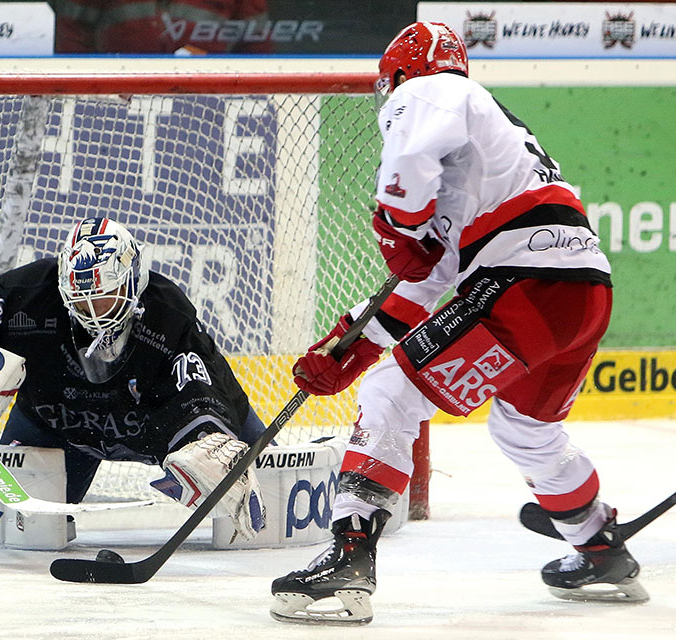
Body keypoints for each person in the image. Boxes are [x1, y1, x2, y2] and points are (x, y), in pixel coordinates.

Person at [269, 21, 645, 625]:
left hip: (525, 283)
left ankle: (348, 556)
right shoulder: (481, 150)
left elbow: (408, 184)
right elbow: (430, 276)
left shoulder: (433, 90)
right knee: (526, 432)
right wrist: (352, 345)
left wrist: (397, 222)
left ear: (401, 74)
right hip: (582, 294)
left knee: (391, 394)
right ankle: (598, 546)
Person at [0, 217, 266, 540]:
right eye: (83, 303)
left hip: (157, 429)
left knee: (269, 505)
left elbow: (200, 381)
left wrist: (208, 439)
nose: (95, 316)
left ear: (132, 280)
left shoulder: (168, 314)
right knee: (24, 532)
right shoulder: (34, 293)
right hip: (57, 426)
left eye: (106, 298)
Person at [53, 0, 272, 54]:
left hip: (210, 99)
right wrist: (87, 90)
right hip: (119, 99)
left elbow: (257, 41)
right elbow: (72, 29)